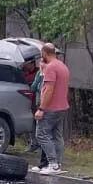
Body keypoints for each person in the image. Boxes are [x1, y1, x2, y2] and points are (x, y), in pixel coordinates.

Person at [32, 42, 70, 175]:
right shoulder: (63, 66)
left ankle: (52, 164)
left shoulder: (51, 68)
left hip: (51, 108)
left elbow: (49, 90)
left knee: (41, 134)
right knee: (57, 136)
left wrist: (41, 108)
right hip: (62, 106)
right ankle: (58, 164)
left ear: (44, 53)